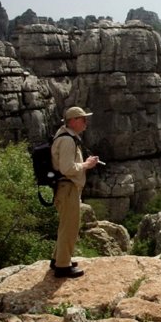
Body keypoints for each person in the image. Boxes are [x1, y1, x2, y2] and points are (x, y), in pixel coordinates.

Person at [50, 106, 99, 278]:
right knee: (70, 227)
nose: (86, 122)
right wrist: (86, 165)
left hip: (66, 187)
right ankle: (63, 266)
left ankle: (57, 259)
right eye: (82, 119)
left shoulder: (66, 136)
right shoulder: (67, 140)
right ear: (73, 121)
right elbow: (67, 168)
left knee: (65, 225)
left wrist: (84, 163)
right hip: (68, 188)